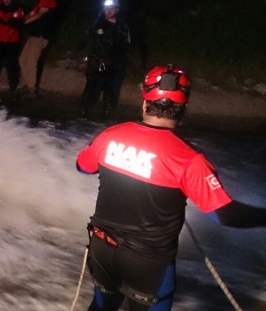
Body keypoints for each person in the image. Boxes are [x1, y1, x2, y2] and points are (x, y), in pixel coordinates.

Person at [76, 64, 266, 311]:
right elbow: (226, 215)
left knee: (102, 306)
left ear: (145, 103)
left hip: (103, 249)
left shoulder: (110, 136)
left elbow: (83, 167)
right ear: (183, 109)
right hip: (149, 263)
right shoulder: (190, 159)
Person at [79, 0, 131, 118]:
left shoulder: (122, 26)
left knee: (112, 89)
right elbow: (87, 39)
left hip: (115, 63)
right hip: (97, 61)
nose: (109, 10)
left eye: (112, 8)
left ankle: (108, 114)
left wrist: (124, 62)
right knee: (92, 86)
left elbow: (127, 46)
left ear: (117, 9)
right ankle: (84, 111)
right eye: (106, 8)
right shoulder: (97, 23)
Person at [19, 0, 58, 96]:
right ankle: (25, 84)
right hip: (34, 34)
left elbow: (38, 15)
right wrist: (21, 19)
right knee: (22, 59)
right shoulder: (41, 0)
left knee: (31, 61)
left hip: (41, 35)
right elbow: (32, 13)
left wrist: (23, 23)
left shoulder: (50, 0)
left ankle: (31, 88)